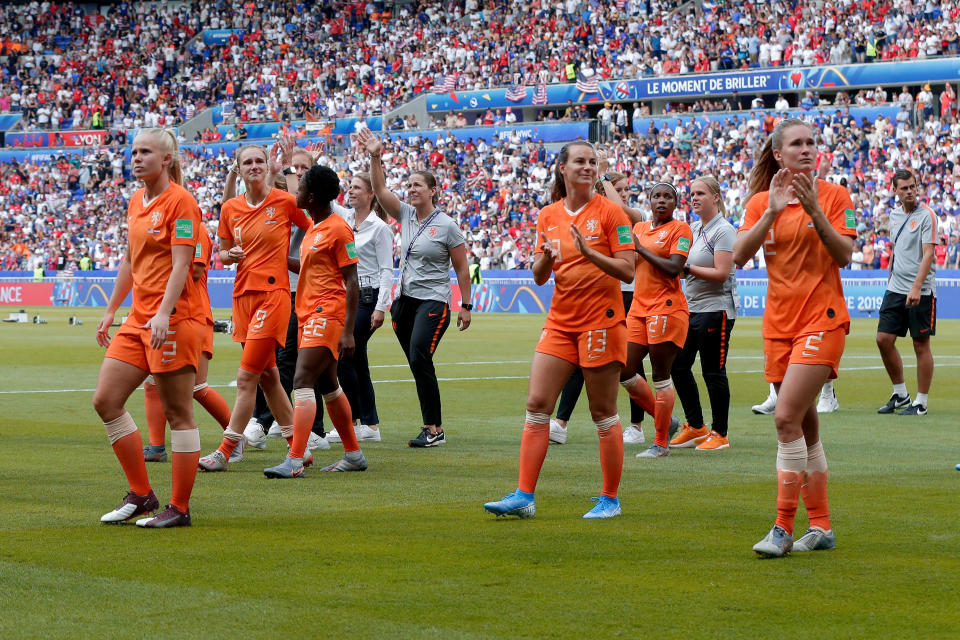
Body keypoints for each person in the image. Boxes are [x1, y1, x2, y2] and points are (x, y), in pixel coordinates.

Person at [483, 141, 635, 519]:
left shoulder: (612, 213)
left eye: (592, 162)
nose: (587, 167)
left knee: (602, 412)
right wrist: (545, 259)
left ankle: (610, 499)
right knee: (537, 405)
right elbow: (538, 276)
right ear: (562, 169)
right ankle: (524, 495)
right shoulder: (548, 214)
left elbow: (628, 270)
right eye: (579, 161)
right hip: (561, 322)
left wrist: (590, 253)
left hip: (602, 321)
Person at [734, 118, 856, 557]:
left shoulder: (837, 196)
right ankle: (821, 527)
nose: (806, 150)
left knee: (785, 418)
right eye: (797, 144)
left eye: (812, 143)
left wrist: (815, 209)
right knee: (805, 425)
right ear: (779, 154)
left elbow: (844, 255)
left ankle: (783, 528)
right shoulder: (760, 203)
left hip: (822, 319)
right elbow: (740, 257)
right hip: (778, 327)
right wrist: (772, 210)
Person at [94, 128, 205, 528]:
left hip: (173, 319)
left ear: (166, 159)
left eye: (145, 152)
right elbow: (129, 259)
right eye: (134, 151)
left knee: (178, 412)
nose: (136, 158)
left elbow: (181, 265)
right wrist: (111, 310)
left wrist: (163, 311)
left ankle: (179, 507)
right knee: (106, 400)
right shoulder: (136, 199)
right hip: (138, 319)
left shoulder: (182, 202)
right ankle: (141, 494)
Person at [198, 139, 311, 471]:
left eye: (259, 161)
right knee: (268, 378)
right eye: (247, 162)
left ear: (266, 165)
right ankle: (298, 447)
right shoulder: (230, 208)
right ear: (240, 168)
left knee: (246, 378)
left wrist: (299, 262)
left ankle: (227, 448)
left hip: (273, 297)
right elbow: (220, 252)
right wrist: (228, 255)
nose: (254, 167)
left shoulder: (284, 201)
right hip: (243, 297)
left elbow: (314, 227)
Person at [356, 126, 472, 447]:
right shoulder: (405, 214)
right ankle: (430, 426)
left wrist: (466, 305)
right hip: (404, 302)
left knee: (420, 356)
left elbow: (462, 268)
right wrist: (376, 156)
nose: (410, 190)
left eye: (417, 185)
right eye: (408, 185)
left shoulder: (447, 225)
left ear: (433, 191)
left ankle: (434, 430)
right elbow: (379, 191)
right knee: (418, 362)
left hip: (433, 301)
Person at [263, 164, 366, 478]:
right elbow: (308, 267)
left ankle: (295, 460)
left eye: (301, 187)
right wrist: (277, 258)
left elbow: (352, 282)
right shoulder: (315, 228)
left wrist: (348, 331)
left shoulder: (338, 229)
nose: (297, 191)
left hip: (327, 313)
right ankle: (354, 454)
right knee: (328, 385)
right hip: (308, 313)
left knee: (301, 380)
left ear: (313, 196)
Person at [240, 146, 331, 452]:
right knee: (277, 365)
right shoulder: (273, 199)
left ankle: (246, 435)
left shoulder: (307, 207)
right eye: (295, 168)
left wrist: (288, 169)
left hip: (300, 291)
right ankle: (290, 432)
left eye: (304, 169)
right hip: (279, 289)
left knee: (289, 364)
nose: (298, 173)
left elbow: (304, 210)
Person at [548, 168, 647, 446]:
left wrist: (603, 177)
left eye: (627, 189)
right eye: (622, 188)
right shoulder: (595, 214)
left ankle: (638, 424)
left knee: (629, 362)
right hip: (600, 295)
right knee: (582, 360)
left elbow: (624, 213)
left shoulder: (632, 213)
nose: (626, 194)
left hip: (628, 294)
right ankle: (561, 423)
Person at [142, 221, 233, 462]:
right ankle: (156, 446)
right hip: (168, 313)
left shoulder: (196, 228)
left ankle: (235, 437)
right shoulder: (168, 229)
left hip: (194, 314)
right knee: (153, 380)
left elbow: (195, 270)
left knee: (196, 386)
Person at [619, 182, 692, 459]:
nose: (662, 201)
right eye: (657, 196)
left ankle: (661, 442)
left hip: (667, 308)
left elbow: (675, 268)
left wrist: (640, 249)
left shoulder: (680, 229)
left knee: (661, 375)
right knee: (624, 370)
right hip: (638, 308)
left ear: (675, 203)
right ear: (649, 202)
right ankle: (666, 420)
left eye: (668, 197)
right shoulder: (638, 228)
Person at [669, 176, 737, 451]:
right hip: (692, 307)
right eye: (692, 193)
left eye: (700, 193)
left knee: (713, 371)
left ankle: (720, 432)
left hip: (716, 308)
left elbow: (721, 274)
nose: (694, 198)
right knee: (678, 365)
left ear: (716, 197)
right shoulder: (693, 228)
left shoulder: (724, 231)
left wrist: (687, 270)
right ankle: (696, 426)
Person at [328, 171, 394, 444]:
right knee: (358, 361)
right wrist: (314, 165)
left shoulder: (380, 228)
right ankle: (369, 424)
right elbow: (325, 199)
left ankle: (354, 420)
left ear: (371, 194)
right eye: (349, 187)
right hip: (347, 297)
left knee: (344, 353)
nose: (350, 191)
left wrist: (381, 307)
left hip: (368, 298)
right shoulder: (343, 218)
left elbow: (387, 270)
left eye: (357, 188)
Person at [876, 169, 937, 416]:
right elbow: (896, 248)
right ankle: (901, 395)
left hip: (920, 289)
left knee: (920, 344)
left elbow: (929, 254)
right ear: (896, 191)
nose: (910, 191)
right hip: (895, 288)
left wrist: (916, 288)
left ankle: (921, 402)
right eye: (905, 188)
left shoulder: (927, 216)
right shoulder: (894, 215)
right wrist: (890, 275)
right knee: (883, 339)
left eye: (913, 186)